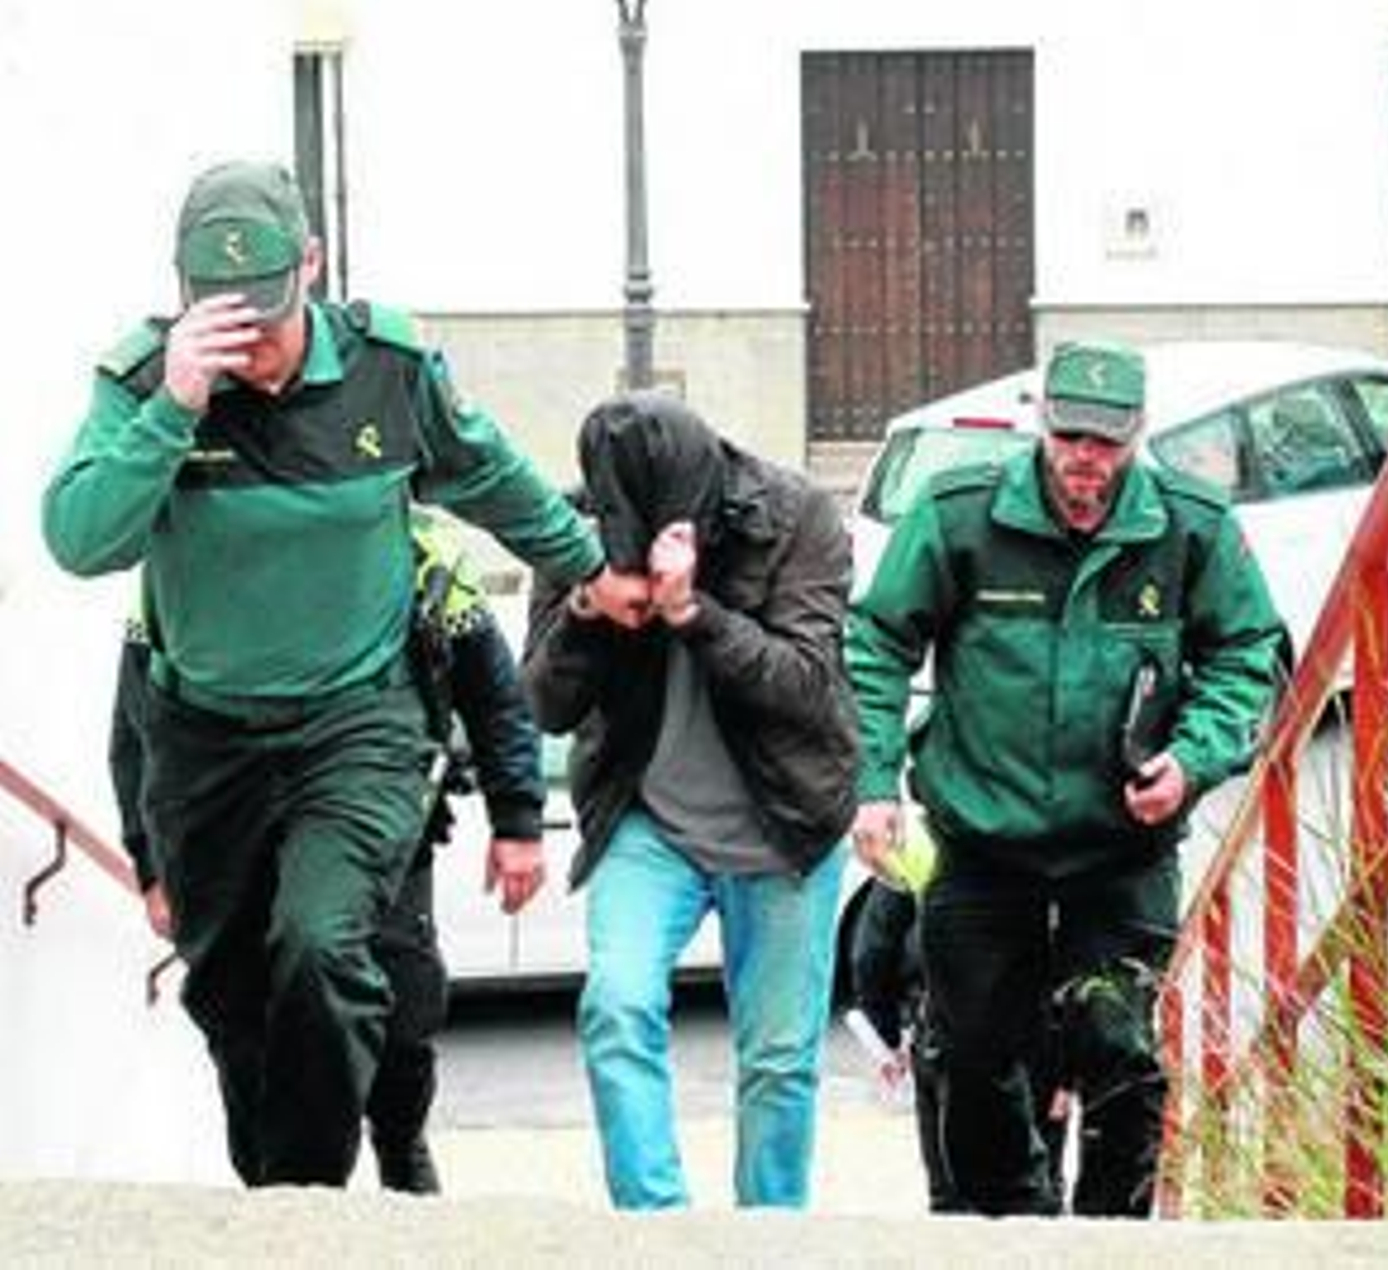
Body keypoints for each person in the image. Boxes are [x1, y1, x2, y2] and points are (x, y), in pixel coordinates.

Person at [42, 159, 635, 1188]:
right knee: (230, 1000)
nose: (256, 344)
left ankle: (306, 1208)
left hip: (351, 726)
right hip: (204, 740)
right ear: (182, 294)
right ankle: (280, 1194)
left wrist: (587, 569)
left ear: (313, 264)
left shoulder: (388, 369)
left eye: (272, 312)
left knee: (322, 950)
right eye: (226, 316)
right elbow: (81, 539)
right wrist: (174, 407)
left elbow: (490, 472)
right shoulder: (144, 381)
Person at [847, 338, 1286, 1217]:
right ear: (1042, 426)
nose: (1086, 462)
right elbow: (878, 641)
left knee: (1116, 1045)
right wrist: (873, 783)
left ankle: (1111, 1238)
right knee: (971, 1053)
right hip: (983, 839)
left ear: (1137, 436)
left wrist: (1193, 760)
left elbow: (1250, 655)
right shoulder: (961, 514)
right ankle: (1020, 1229)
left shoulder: (1189, 527)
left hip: (1119, 847)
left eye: (1107, 444)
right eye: (1070, 438)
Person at [108, 519, 545, 1193]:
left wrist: (517, 821)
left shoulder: (428, 554)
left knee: (399, 1005)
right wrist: (151, 864)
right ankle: (276, 1191)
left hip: (382, 817)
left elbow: (496, 698)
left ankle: (399, 1142)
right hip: (233, 825)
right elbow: (137, 726)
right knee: (241, 1008)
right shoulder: (183, 558)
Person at [520, 392, 859, 1210]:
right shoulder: (576, 530)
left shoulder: (795, 514)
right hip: (650, 818)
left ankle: (767, 1240)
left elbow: (807, 689)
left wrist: (691, 612)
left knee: (779, 1063)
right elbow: (542, 704)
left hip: (786, 822)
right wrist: (586, 611)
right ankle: (658, 1232)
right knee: (617, 1006)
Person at [848, 875, 1068, 1214]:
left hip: (940, 1024)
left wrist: (888, 1035)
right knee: (1033, 1193)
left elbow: (872, 949)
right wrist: (1071, 1070)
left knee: (951, 1198)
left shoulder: (925, 829)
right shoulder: (1054, 829)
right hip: (1035, 1030)